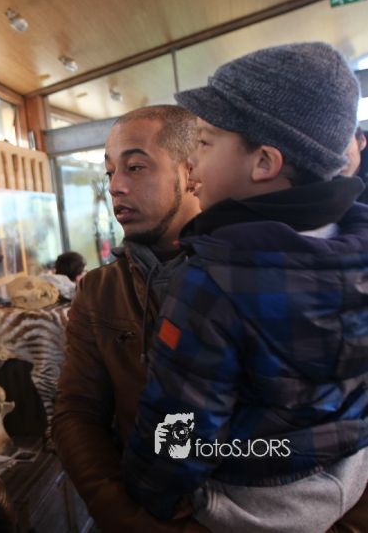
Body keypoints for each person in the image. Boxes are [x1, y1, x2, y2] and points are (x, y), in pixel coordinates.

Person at [121, 42, 368, 533]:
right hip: (347, 478)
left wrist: (150, 491)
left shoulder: (215, 279)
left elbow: (181, 426)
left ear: (264, 163)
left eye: (205, 143)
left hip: (252, 502)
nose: (192, 163)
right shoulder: (356, 253)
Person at [52, 104, 205, 532]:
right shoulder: (99, 291)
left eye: (135, 167)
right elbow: (77, 411)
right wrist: (125, 517)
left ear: (191, 172)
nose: (115, 186)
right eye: (109, 172)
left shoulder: (252, 272)